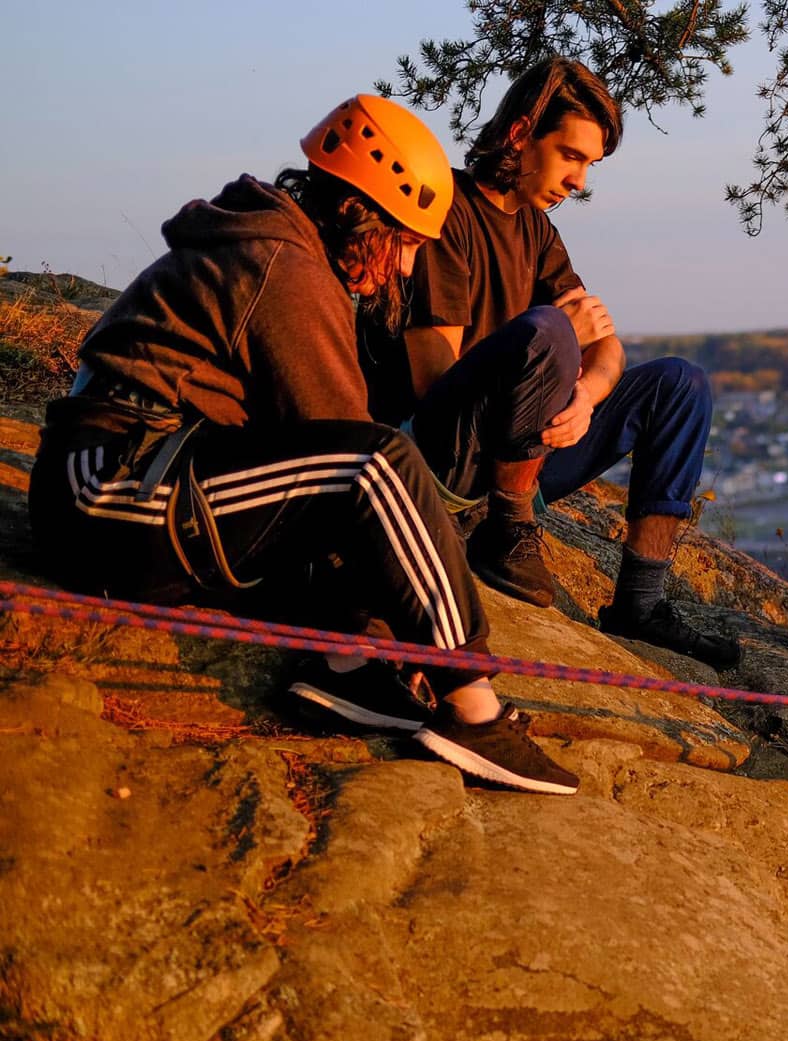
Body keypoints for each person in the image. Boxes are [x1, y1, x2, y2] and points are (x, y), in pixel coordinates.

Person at [28, 94, 578, 796]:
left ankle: (343, 668)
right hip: (108, 492)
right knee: (377, 464)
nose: (406, 268)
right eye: (406, 241)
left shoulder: (285, 249)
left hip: (147, 482)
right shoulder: (281, 265)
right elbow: (349, 448)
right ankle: (472, 708)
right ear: (357, 211)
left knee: (359, 488)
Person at [359, 56, 738, 669]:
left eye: (589, 165)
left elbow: (607, 345)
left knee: (679, 384)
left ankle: (640, 604)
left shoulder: (536, 231)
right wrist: (552, 343)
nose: (579, 181)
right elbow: (433, 383)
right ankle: (504, 533)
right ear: (520, 135)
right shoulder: (446, 211)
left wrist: (586, 394)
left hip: (524, 450)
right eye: (571, 156)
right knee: (550, 328)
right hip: (446, 461)